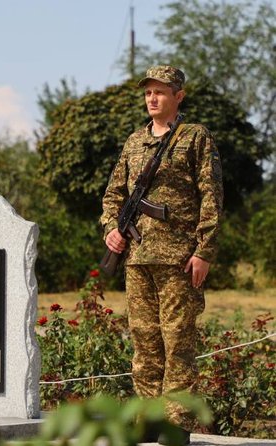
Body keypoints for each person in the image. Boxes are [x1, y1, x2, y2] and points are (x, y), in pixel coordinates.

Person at [100, 65, 223, 445]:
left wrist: (204, 251)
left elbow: (212, 198)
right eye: (148, 92)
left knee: (177, 340)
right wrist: (111, 229)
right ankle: (147, 417)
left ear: (178, 96)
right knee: (145, 341)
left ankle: (175, 422)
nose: (152, 98)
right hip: (138, 258)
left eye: (160, 92)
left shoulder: (195, 137)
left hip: (179, 259)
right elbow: (112, 195)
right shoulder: (135, 141)